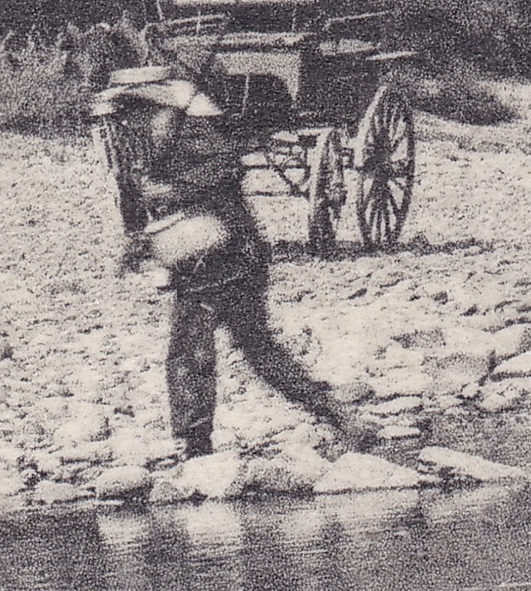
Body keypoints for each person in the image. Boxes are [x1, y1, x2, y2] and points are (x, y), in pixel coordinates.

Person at [93, 66, 368, 458]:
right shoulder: (144, 143)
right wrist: (138, 240)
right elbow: (133, 203)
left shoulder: (194, 134)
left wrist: (170, 191)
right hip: (206, 259)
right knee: (254, 352)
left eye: (134, 111)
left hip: (227, 254)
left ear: (155, 105)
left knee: (195, 351)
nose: (127, 121)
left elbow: (224, 171)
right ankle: (340, 417)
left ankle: (195, 446)